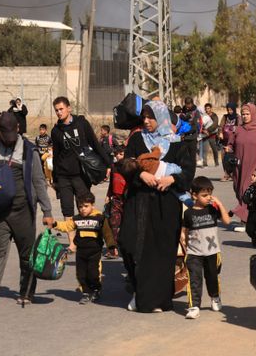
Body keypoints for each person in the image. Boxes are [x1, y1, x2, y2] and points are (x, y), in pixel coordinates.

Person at [0, 112, 54, 309]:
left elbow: (38, 182)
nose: (8, 139)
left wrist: (47, 211)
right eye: (4, 134)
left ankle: (26, 292)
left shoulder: (29, 151)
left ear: (18, 129)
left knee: (26, 254)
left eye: (11, 134)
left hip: (22, 211)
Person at [119, 101, 195, 313]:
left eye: (150, 117)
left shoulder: (178, 144)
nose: (146, 121)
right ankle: (137, 288)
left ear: (161, 118)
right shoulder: (137, 139)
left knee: (160, 252)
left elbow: (188, 173)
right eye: (144, 117)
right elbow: (125, 164)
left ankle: (156, 300)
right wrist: (140, 173)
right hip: (138, 201)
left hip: (165, 204)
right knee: (129, 243)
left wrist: (171, 179)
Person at [51, 96, 111, 252]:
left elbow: (95, 144)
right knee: (67, 209)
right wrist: (55, 179)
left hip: (81, 175)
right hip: (64, 176)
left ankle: (88, 236)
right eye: (56, 110)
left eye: (61, 109)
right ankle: (72, 243)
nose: (59, 112)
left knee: (85, 207)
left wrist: (109, 165)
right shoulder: (55, 131)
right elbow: (56, 156)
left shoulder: (82, 123)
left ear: (69, 108)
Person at [53, 191, 117, 304]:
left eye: (86, 206)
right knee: (81, 274)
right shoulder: (77, 219)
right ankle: (86, 293)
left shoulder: (100, 218)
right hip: (81, 252)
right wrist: (54, 224)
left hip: (95, 252)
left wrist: (111, 246)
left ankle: (96, 289)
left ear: (93, 205)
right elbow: (66, 226)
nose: (83, 209)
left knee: (93, 274)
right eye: (80, 207)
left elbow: (107, 233)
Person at [182, 176, 231, 319]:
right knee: (194, 279)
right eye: (204, 195)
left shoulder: (212, 210)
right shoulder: (188, 213)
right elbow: (184, 231)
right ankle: (194, 306)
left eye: (210, 194)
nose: (208, 197)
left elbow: (227, 221)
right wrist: (183, 243)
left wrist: (220, 205)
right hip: (194, 253)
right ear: (194, 195)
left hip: (212, 252)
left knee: (212, 277)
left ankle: (215, 297)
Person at [226, 103, 256, 224]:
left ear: (253, 114)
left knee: (246, 190)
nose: (245, 116)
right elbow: (230, 144)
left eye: (247, 114)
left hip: (254, 167)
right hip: (238, 167)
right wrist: (229, 149)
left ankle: (244, 219)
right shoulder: (237, 130)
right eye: (243, 114)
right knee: (238, 189)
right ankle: (247, 217)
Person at [117, 146, 194, 208]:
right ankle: (188, 198)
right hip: (144, 202)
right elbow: (156, 154)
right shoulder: (141, 156)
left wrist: (173, 178)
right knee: (176, 175)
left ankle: (187, 199)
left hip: (165, 194)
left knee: (176, 191)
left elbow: (188, 171)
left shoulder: (177, 143)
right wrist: (141, 174)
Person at [218, 103, 238, 181]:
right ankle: (227, 174)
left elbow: (239, 127)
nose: (229, 111)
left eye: (231, 110)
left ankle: (233, 173)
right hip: (224, 141)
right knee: (224, 157)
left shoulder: (237, 117)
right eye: (228, 110)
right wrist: (220, 132)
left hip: (234, 142)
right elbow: (220, 126)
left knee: (233, 158)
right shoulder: (225, 117)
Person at [179, 97, 201, 162]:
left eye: (189, 104)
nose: (188, 106)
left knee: (192, 156)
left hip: (192, 137)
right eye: (186, 104)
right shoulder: (183, 112)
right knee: (183, 156)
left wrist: (188, 131)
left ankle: (192, 170)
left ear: (192, 104)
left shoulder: (195, 112)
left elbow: (196, 125)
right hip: (184, 138)